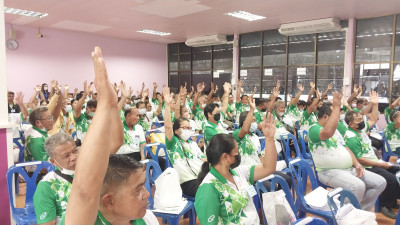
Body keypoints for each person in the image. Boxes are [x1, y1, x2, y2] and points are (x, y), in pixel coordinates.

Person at [64, 47, 159, 225]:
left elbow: (117, 141)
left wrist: (113, 105)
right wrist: (104, 104)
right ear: (108, 201)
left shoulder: (146, 219)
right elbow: (85, 192)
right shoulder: (88, 220)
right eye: (139, 189)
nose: (148, 194)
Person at [195, 112, 277, 225]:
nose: (239, 156)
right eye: (237, 152)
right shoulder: (209, 188)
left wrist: (269, 138)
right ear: (225, 157)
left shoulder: (239, 172)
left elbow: (268, 168)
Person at [308, 94, 385, 212]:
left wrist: (357, 164)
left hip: (348, 169)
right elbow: (327, 133)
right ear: (325, 117)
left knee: (380, 182)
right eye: (336, 118)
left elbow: (346, 149)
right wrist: (337, 106)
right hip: (328, 171)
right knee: (358, 186)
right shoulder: (314, 129)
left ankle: (360, 212)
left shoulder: (336, 132)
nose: (339, 121)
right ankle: (344, 216)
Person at [344, 91, 400, 218]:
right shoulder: (351, 137)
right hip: (367, 166)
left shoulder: (360, 130)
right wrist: (381, 164)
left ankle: (392, 200)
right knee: (390, 179)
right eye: (358, 120)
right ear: (351, 124)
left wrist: (375, 104)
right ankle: (384, 206)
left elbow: (374, 118)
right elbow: (360, 160)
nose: (362, 121)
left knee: (396, 171)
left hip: (374, 161)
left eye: (360, 118)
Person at [164, 87, 206, 197]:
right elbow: (168, 127)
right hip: (188, 182)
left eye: (189, 128)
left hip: (201, 176)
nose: (188, 130)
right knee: (209, 193)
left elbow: (203, 158)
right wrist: (167, 105)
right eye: (184, 128)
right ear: (177, 130)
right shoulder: (173, 143)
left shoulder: (193, 144)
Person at [33, 133, 78, 225]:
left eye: (75, 151)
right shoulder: (47, 186)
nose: (74, 157)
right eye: (66, 156)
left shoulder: (91, 172)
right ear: (53, 161)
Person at [25, 92, 63, 161]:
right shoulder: (37, 140)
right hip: (38, 171)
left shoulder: (39, 129)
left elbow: (55, 117)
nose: (52, 120)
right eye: (49, 118)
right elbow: (44, 168)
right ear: (38, 122)